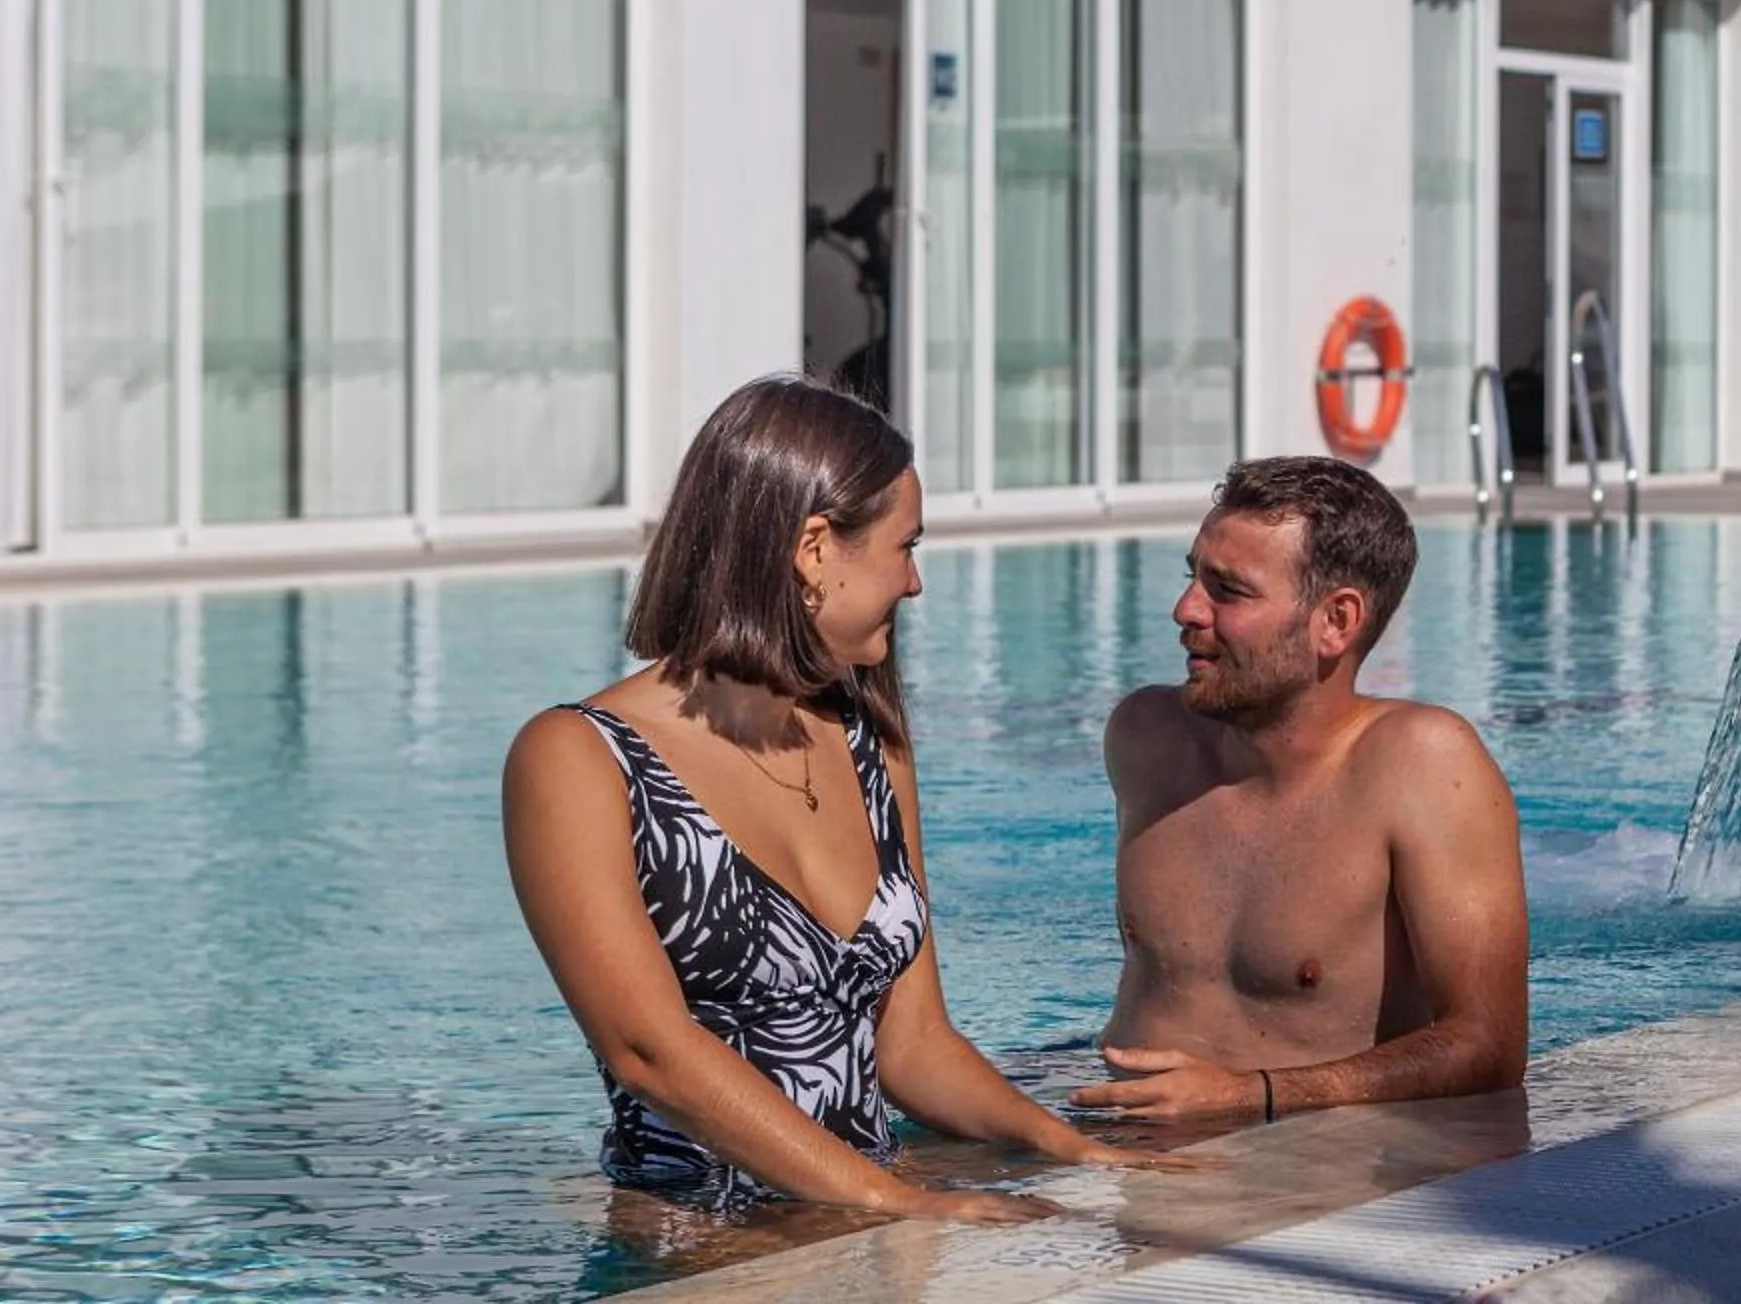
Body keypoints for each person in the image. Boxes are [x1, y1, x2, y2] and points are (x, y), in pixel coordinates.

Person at [503, 374, 1178, 1219]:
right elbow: (648, 1052)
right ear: (814, 548)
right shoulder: (579, 758)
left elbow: (914, 1043)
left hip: (866, 1209)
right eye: (906, 547)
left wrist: (1071, 1149)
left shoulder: (869, 743)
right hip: (703, 1239)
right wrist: (897, 1202)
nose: (914, 583)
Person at [1074, 457, 1530, 1124]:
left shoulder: (1422, 767)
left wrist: (1250, 1095)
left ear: (1336, 621)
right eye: (1192, 577)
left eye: (1228, 591)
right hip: (1116, 1144)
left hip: (1303, 1157)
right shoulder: (1146, 739)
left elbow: (1489, 1046)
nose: (1186, 610)